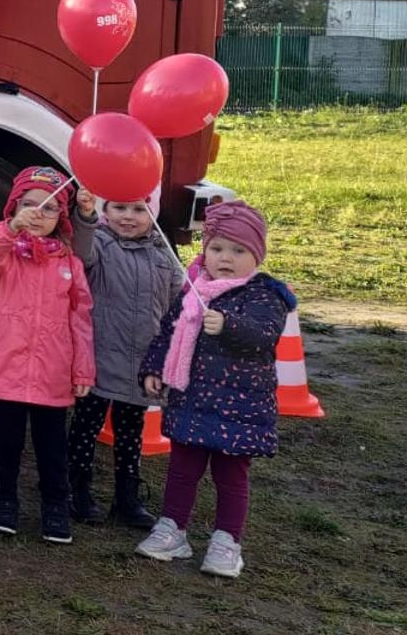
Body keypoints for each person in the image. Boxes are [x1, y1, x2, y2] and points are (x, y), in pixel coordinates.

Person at [135, 201, 290, 580]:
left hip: (239, 407)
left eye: (238, 251)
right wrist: (154, 367)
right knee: (182, 470)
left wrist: (229, 325)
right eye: (218, 248)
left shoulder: (265, 295)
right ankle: (172, 528)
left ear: (257, 255)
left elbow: (263, 337)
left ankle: (227, 541)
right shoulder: (195, 290)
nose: (226, 258)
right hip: (192, 400)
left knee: (231, 477)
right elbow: (169, 331)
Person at [0, 166, 94, 545]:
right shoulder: (4, 256)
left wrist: (83, 369)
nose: (38, 214)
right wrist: (10, 229)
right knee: (5, 443)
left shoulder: (69, 264)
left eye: (50, 208)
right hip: (5, 369)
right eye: (29, 205)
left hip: (51, 373)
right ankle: (4, 498)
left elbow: (81, 319)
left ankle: (56, 504)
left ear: (62, 219)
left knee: (52, 446)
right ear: (14, 208)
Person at [66, 189, 184, 529]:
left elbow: (177, 304)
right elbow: (80, 254)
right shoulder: (101, 243)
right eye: (119, 207)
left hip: (142, 365)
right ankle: (77, 490)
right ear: (107, 209)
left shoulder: (163, 254)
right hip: (101, 358)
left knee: (130, 433)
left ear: (153, 214)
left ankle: (127, 497)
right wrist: (86, 217)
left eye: (139, 209)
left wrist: (168, 356)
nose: (128, 216)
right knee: (85, 428)